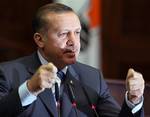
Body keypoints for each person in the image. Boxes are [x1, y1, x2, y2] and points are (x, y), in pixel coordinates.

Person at [0, 3, 145, 117]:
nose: (74, 42)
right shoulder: (8, 73)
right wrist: (30, 89)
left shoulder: (92, 77)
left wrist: (134, 100)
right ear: (40, 40)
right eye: (63, 34)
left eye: (77, 32)